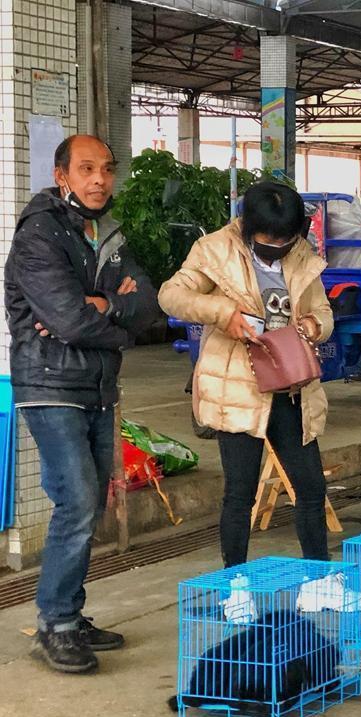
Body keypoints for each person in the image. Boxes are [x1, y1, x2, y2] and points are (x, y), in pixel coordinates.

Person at [5, 135, 158, 673]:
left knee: (90, 506)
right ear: (61, 174)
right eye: (86, 169)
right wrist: (116, 327)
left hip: (94, 387)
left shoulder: (106, 233)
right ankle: (56, 624)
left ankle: (68, 610)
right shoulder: (39, 233)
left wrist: (107, 305)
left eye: (107, 170)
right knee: (77, 499)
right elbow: (67, 319)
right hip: (48, 384)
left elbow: (149, 304)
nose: (99, 180)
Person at [159, 182, 337, 575]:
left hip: (292, 386)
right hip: (238, 389)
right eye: (267, 240)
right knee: (240, 496)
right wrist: (224, 314)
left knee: (310, 489)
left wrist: (311, 325)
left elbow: (323, 311)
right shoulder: (214, 251)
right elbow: (170, 295)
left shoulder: (301, 253)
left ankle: (320, 579)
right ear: (246, 226)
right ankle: (235, 585)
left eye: (285, 240)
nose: (276, 246)